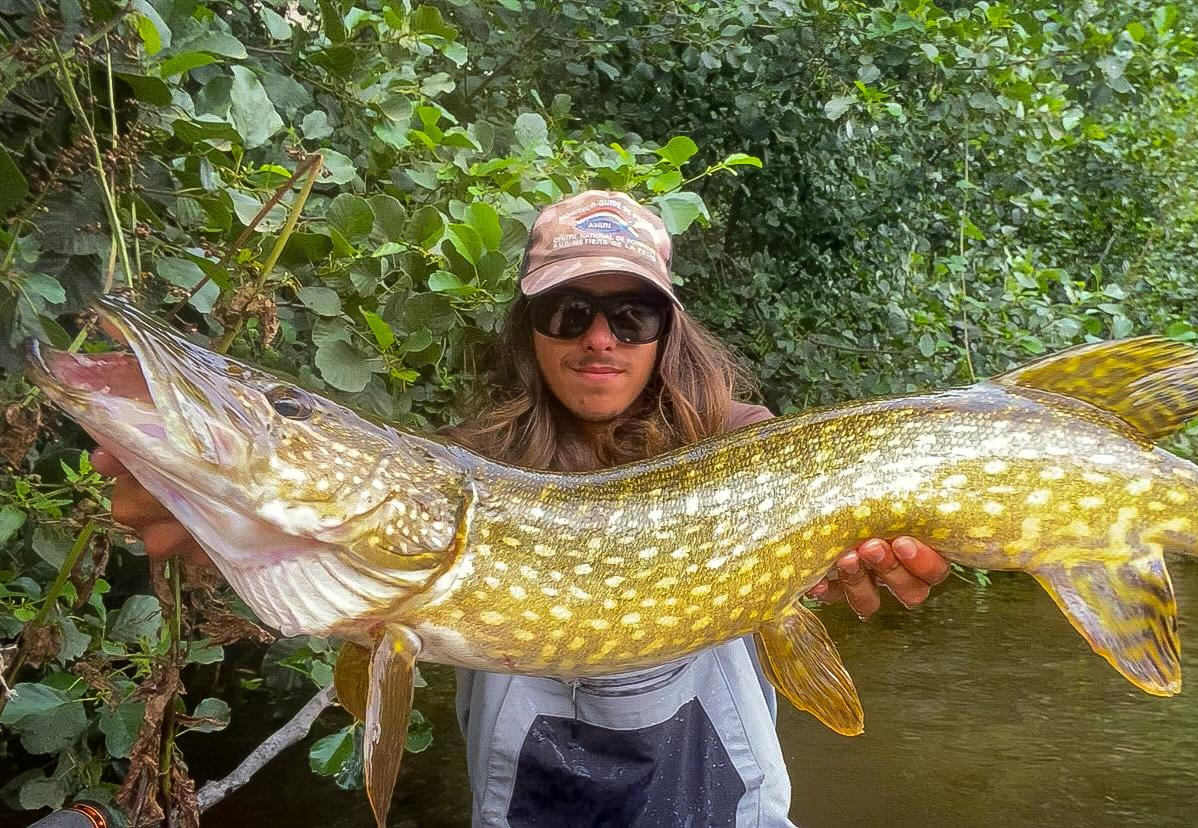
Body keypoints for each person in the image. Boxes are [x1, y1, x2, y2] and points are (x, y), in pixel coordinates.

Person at [93, 190, 951, 826]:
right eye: (569, 310)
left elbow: (853, 562)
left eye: (633, 314)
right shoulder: (469, 464)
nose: (600, 338)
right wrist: (208, 523)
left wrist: (843, 568)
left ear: (668, 329)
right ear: (529, 326)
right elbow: (325, 581)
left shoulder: (741, 442)